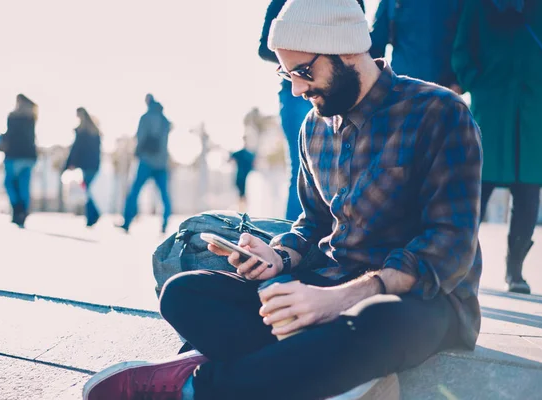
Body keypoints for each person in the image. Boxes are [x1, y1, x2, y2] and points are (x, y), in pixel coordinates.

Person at [84, 1, 483, 399]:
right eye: (285, 73)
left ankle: (196, 386)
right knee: (184, 292)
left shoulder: (438, 112)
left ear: (347, 50)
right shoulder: (313, 126)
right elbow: (312, 222)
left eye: (304, 71)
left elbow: (450, 245)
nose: (296, 88)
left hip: (423, 301)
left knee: (377, 322)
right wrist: (278, 257)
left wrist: (339, 299)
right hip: (328, 285)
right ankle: (336, 375)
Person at [452, 0, 542, 295]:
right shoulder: (478, 5)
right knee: (477, 189)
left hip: (534, 110)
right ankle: (458, 265)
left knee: (528, 191)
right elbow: (462, 49)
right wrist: (476, 83)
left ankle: (514, 268)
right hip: (491, 108)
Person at [258, 0, 364, 221]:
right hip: (293, 99)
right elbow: (264, 48)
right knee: (303, 171)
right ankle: (293, 233)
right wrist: (300, 56)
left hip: (342, 85)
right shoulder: (283, 3)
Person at [370, 0, 463, 93]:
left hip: (444, 91)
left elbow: (469, 39)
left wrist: (459, 82)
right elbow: (376, 45)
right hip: (403, 90)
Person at [117, 94, 172, 234]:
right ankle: (165, 223)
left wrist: (137, 153)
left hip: (146, 161)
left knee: (134, 192)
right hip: (162, 163)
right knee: (164, 195)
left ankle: (127, 222)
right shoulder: (165, 120)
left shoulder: (145, 117)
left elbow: (140, 137)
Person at [0, 94, 38, 228]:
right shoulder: (31, 117)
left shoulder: (13, 116)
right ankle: (22, 212)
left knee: (10, 183)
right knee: (23, 185)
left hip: (14, 155)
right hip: (29, 156)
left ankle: (18, 209)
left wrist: (0, 140)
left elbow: (11, 136)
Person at [64, 108, 102, 227]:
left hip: (86, 166)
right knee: (87, 190)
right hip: (94, 165)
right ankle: (92, 216)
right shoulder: (95, 131)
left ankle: (93, 215)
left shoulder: (82, 132)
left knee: (86, 191)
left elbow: (76, 150)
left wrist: (68, 164)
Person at [229, 138, 255, 212]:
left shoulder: (248, 154)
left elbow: (230, 159)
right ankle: (242, 209)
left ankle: (243, 209)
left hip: (245, 178)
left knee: (243, 194)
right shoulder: (247, 154)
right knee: (242, 194)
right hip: (242, 177)